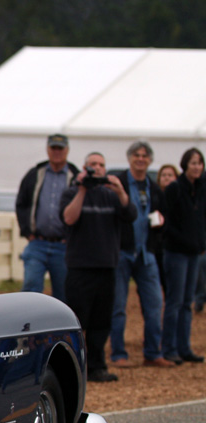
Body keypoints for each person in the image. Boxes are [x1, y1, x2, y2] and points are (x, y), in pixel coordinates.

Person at [60, 152, 136, 382]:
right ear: (84, 168)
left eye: (101, 165)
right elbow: (68, 218)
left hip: (106, 267)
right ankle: (72, 368)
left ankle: (96, 366)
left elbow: (131, 214)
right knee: (77, 321)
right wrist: (82, 188)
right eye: (92, 165)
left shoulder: (111, 196)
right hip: (80, 268)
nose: (97, 169)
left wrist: (121, 191)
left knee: (101, 321)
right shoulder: (72, 192)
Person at [108, 141, 171, 368]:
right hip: (122, 253)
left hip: (147, 254)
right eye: (137, 155)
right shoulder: (119, 183)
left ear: (150, 160)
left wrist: (160, 225)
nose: (141, 159)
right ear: (130, 158)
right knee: (118, 307)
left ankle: (153, 352)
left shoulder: (154, 189)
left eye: (145, 155)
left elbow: (163, 219)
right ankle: (118, 353)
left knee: (155, 305)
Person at [15, 133, 79, 302]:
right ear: (47, 149)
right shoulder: (35, 174)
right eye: (53, 148)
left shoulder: (75, 177)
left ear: (67, 150)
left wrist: (73, 237)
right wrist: (27, 231)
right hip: (37, 243)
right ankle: (28, 325)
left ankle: (61, 328)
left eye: (60, 148)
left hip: (64, 246)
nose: (57, 151)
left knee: (63, 293)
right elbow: (21, 203)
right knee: (30, 288)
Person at [160, 147, 206, 364]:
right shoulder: (175, 189)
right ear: (185, 164)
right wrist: (185, 240)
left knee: (187, 302)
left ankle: (184, 347)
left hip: (194, 254)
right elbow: (165, 222)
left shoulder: (201, 189)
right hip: (176, 253)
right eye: (193, 162)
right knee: (175, 302)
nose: (197, 167)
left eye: (200, 163)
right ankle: (169, 348)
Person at [155, 163, 179, 292]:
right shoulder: (155, 196)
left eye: (170, 175)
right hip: (157, 246)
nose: (167, 178)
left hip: (175, 246)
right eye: (163, 175)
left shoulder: (181, 198)